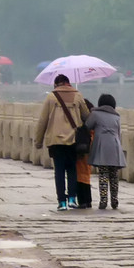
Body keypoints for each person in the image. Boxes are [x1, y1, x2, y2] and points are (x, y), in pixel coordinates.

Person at [33, 74, 91, 211]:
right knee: (72, 169)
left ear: (56, 84)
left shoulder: (51, 97)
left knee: (59, 171)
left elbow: (43, 121)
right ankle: (72, 198)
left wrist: (38, 141)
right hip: (73, 139)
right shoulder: (78, 95)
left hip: (55, 140)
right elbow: (87, 117)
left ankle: (62, 202)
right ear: (68, 83)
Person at [85, 93, 127, 210]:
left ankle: (103, 200)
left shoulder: (95, 114)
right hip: (115, 145)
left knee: (103, 173)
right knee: (114, 175)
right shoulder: (117, 116)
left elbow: (87, 126)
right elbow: (118, 133)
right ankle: (115, 200)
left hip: (102, 145)